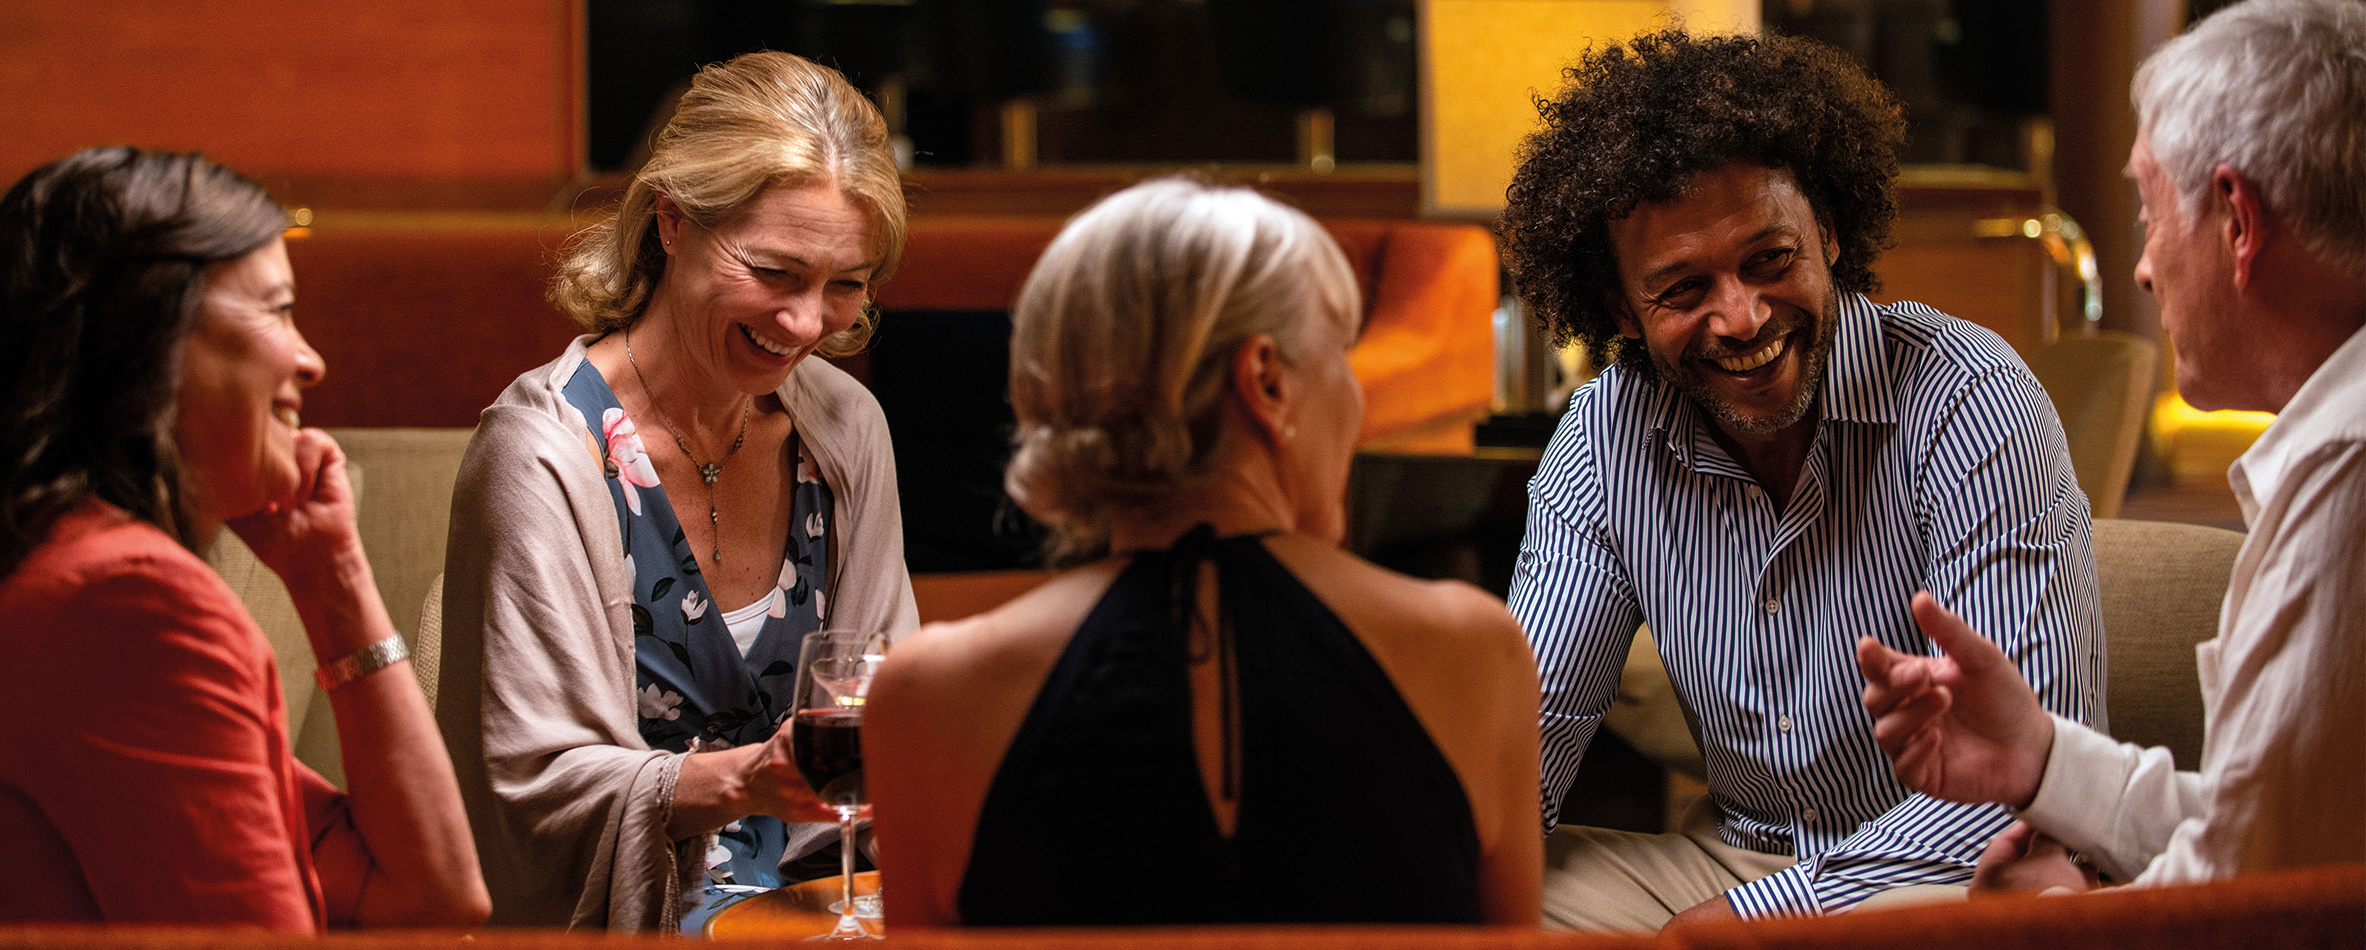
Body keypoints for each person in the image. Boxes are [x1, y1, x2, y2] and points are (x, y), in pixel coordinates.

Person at [1496, 30, 2106, 931]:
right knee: (1484, 900)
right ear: (1624, 308)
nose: (1741, 317)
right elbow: (1524, 742)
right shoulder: (1604, 437)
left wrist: (1752, 921)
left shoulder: (1968, 398)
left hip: (1964, 870)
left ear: (1826, 230)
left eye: (1769, 261)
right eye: (1682, 289)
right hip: (1735, 856)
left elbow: (2014, 785)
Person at [861, 179, 1545, 928]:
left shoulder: (928, 694)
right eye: (1339, 357)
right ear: (1266, 381)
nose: (1354, 398)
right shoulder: (1473, 653)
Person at [1858, 0, 2365, 894]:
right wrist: (2041, 756)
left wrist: (2075, 914)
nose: (2141, 265)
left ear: (2237, 222)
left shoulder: (2344, 476)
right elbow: (2275, 823)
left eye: (2148, 209)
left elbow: (2247, 907)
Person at [0, 147, 487, 931]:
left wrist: (332, 578)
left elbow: (432, 894)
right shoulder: (125, 609)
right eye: (278, 309)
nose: (311, 360)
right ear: (149, 336)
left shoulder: (29, 563)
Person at [438, 50, 918, 931]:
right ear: (671, 221)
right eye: (775, 273)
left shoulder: (844, 428)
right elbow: (532, 789)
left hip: (822, 909)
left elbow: (890, 701)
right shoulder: (544, 455)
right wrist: (742, 780)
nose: (807, 323)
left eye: (845, 285)